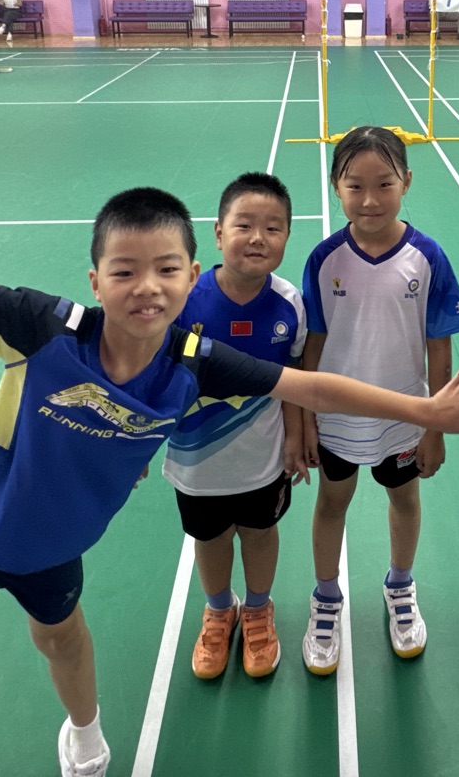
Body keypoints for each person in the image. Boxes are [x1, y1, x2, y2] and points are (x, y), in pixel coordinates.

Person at [0, 59, 459, 777]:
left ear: (190, 278)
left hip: (43, 544)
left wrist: (425, 409)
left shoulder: (194, 361)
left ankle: (86, 733)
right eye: (124, 271)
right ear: (95, 279)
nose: (146, 287)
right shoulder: (48, 325)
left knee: (59, 636)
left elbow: (313, 387)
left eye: (165, 270)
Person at [298, 126, 459, 674]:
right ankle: (326, 595)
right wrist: (304, 421)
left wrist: (434, 427)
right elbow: (312, 345)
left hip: (405, 418)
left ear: (407, 182)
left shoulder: (427, 256)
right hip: (336, 419)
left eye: (384, 184)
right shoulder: (324, 259)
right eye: (355, 186)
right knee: (332, 502)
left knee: (405, 500)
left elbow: (439, 347)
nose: (370, 199)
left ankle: (400, 585)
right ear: (335, 186)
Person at [165, 172, 306, 680]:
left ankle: (259, 609)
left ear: (287, 237)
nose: (258, 238)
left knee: (261, 533)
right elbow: (151, 376)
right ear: (219, 232)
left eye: (273, 227)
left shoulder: (290, 303)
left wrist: (296, 436)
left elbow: (295, 379)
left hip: (262, 460)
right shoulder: (183, 300)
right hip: (195, 462)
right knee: (210, 538)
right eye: (244, 225)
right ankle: (219, 609)